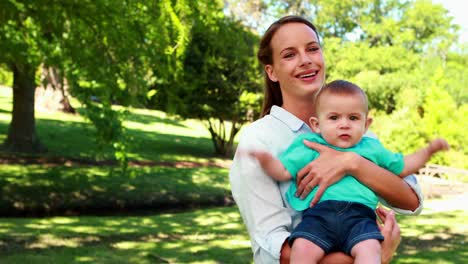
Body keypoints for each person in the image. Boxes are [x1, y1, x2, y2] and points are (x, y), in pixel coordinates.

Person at [229, 15, 425, 264]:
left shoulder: (354, 128)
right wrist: (376, 256)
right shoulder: (259, 140)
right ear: (272, 72)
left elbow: (411, 200)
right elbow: (273, 244)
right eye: (290, 55)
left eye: (312, 49)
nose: (306, 60)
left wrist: (353, 163)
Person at [248, 79, 449, 263]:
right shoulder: (309, 145)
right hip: (319, 216)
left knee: (370, 251)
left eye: (353, 118)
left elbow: (404, 165)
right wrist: (265, 159)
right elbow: (283, 171)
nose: (344, 124)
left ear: (366, 124)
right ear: (316, 125)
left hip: (360, 217)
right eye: (334, 118)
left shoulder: (372, 149)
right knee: (302, 249)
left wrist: (429, 150)